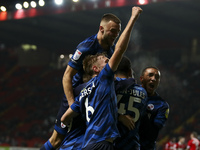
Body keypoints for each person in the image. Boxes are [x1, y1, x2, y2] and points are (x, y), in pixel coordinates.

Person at [61, 6, 143, 150]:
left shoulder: (83, 91)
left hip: (88, 144)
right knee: (55, 140)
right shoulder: (104, 78)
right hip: (102, 144)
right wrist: (133, 18)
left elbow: (64, 118)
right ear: (96, 69)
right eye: (105, 61)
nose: (109, 62)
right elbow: (120, 49)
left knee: (56, 140)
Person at [40, 12, 122, 150]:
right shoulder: (86, 47)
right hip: (78, 95)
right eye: (113, 31)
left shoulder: (111, 50)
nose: (116, 35)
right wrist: (73, 104)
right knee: (56, 140)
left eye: (118, 32)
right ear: (101, 29)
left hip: (93, 99)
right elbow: (67, 76)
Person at [113, 56, 148, 150]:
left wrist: (119, 116)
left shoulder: (110, 86)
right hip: (132, 144)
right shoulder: (143, 92)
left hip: (113, 144)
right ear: (129, 72)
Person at [138, 66, 170, 150]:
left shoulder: (162, 105)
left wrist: (142, 110)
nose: (153, 79)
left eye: (157, 77)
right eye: (150, 75)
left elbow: (152, 135)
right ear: (141, 78)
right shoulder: (130, 93)